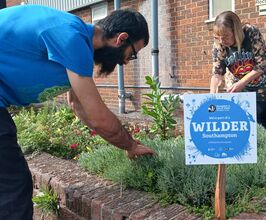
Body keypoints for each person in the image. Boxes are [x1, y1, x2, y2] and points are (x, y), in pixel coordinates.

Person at [0, 5, 155, 219]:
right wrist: (131, 146)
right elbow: (100, 117)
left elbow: (79, 107)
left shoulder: (77, 48)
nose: (126, 61)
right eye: (132, 53)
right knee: (13, 186)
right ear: (121, 39)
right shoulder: (70, 35)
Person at [210, 11, 266, 131]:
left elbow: (263, 64)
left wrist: (241, 83)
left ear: (235, 31)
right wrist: (211, 99)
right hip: (236, 83)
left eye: (225, 37)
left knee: (260, 123)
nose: (221, 41)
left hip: (262, 82)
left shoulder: (251, 33)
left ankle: (264, 145)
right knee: (238, 122)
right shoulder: (219, 44)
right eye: (217, 37)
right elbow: (217, 72)